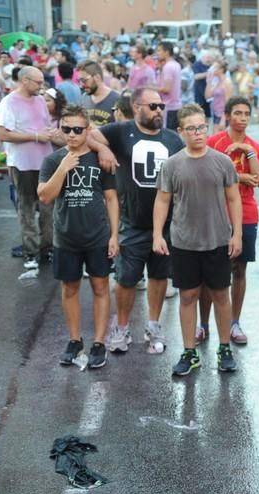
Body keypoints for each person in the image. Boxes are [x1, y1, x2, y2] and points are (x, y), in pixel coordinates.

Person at [88, 87, 184, 354]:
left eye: (161, 107)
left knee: (158, 276)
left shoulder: (173, 139)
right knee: (126, 279)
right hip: (131, 221)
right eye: (152, 106)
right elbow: (86, 136)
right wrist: (103, 150)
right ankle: (121, 327)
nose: (158, 112)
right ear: (136, 106)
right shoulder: (121, 131)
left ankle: (153, 325)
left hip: (165, 224)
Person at [152, 103, 242, 376]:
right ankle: (189, 352)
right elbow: (163, 199)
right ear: (180, 131)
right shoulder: (172, 164)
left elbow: (234, 198)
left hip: (217, 240)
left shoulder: (222, 162)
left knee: (220, 295)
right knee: (188, 296)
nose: (198, 133)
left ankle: (224, 348)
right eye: (191, 129)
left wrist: (236, 233)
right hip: (184, 242)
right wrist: (157, 234)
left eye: (201, 127)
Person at [37, 105, 119, 369]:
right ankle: (74, 340)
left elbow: (111, 198)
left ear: (88, 130)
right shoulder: (53, 160)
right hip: (66, 237)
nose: (71, 134)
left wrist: (115, 235)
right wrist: (63, 167)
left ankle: (98, 343)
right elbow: (45, 196)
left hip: (97, 236)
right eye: (66, 129)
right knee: (70, 289)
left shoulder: (100, 158)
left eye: (77, 129)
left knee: (100, 288)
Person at [196, 97, 259, 346]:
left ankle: (234, 323)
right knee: (209, 273)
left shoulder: (255, 146)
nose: (243, 117)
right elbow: (205, 174)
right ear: (227, 115)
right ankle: (203, 324)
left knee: (239, 268)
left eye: (247, 113)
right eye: (237, 113)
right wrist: (241, 176)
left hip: (247, 214)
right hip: (214, 213)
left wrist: (248, 154)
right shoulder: (214, 142)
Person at [0, 66, 55, 271]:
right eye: (38, 82)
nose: (42, 86)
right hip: (22, 164)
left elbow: (44, 126)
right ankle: (31, 253)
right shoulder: (8, 102)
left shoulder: (40, 101)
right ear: (25, 81)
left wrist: (51, 133)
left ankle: (48, 249)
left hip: (45, 163)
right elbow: (2, 134)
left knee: (48, 208)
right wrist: (35, 136)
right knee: (27, 208)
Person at [77, 60, 119, 127]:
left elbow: (122, 130)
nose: (81, 85)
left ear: (97, 77)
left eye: (84, 80)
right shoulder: (83, 98)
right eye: (79, 81)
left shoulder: (117, 99)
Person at [155, 42, 182, 130]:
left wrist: (150, 88)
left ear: (166, 52)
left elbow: (166, 89)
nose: (157, 53)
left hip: (169, 107)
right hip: (175, 105)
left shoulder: (168, 67)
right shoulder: (176, 64)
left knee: (168, 134)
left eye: (159, 50)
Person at [205, 61, 234, 132]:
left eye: (214, 67)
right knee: (216, 139)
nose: (212, 69)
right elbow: (207, 96)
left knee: (217, 138)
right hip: (215, 113)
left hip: (222, 115)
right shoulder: (217, 82)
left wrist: (223, 119)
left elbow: (228, 102)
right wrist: (209, 82)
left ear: (221, 70)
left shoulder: (227, 82)